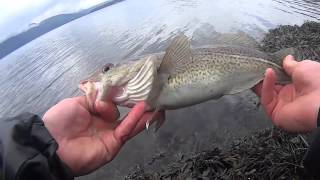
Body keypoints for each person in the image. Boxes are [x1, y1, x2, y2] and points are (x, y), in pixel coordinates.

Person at [0, 55, 319, 179]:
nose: (98, 78)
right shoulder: (149, 95)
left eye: (108, 69)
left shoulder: (160, 68)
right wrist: (50, 153)